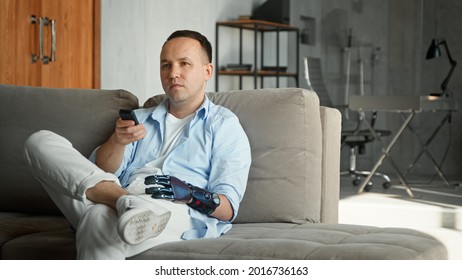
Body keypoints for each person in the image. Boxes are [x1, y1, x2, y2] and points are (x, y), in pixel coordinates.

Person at [23, 30, 251, 259]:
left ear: (207, 71)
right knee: (39, 141)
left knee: (97, 217)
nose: (173, 73)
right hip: (116, 194)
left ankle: (125, 205)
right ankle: (123, 202)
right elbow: (98, 174)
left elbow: (227, 208)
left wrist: (190, 194)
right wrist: (117, 142)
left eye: (184, 64)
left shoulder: (224, 125)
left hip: (173, 209)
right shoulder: (139, 118)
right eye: (166, 65)